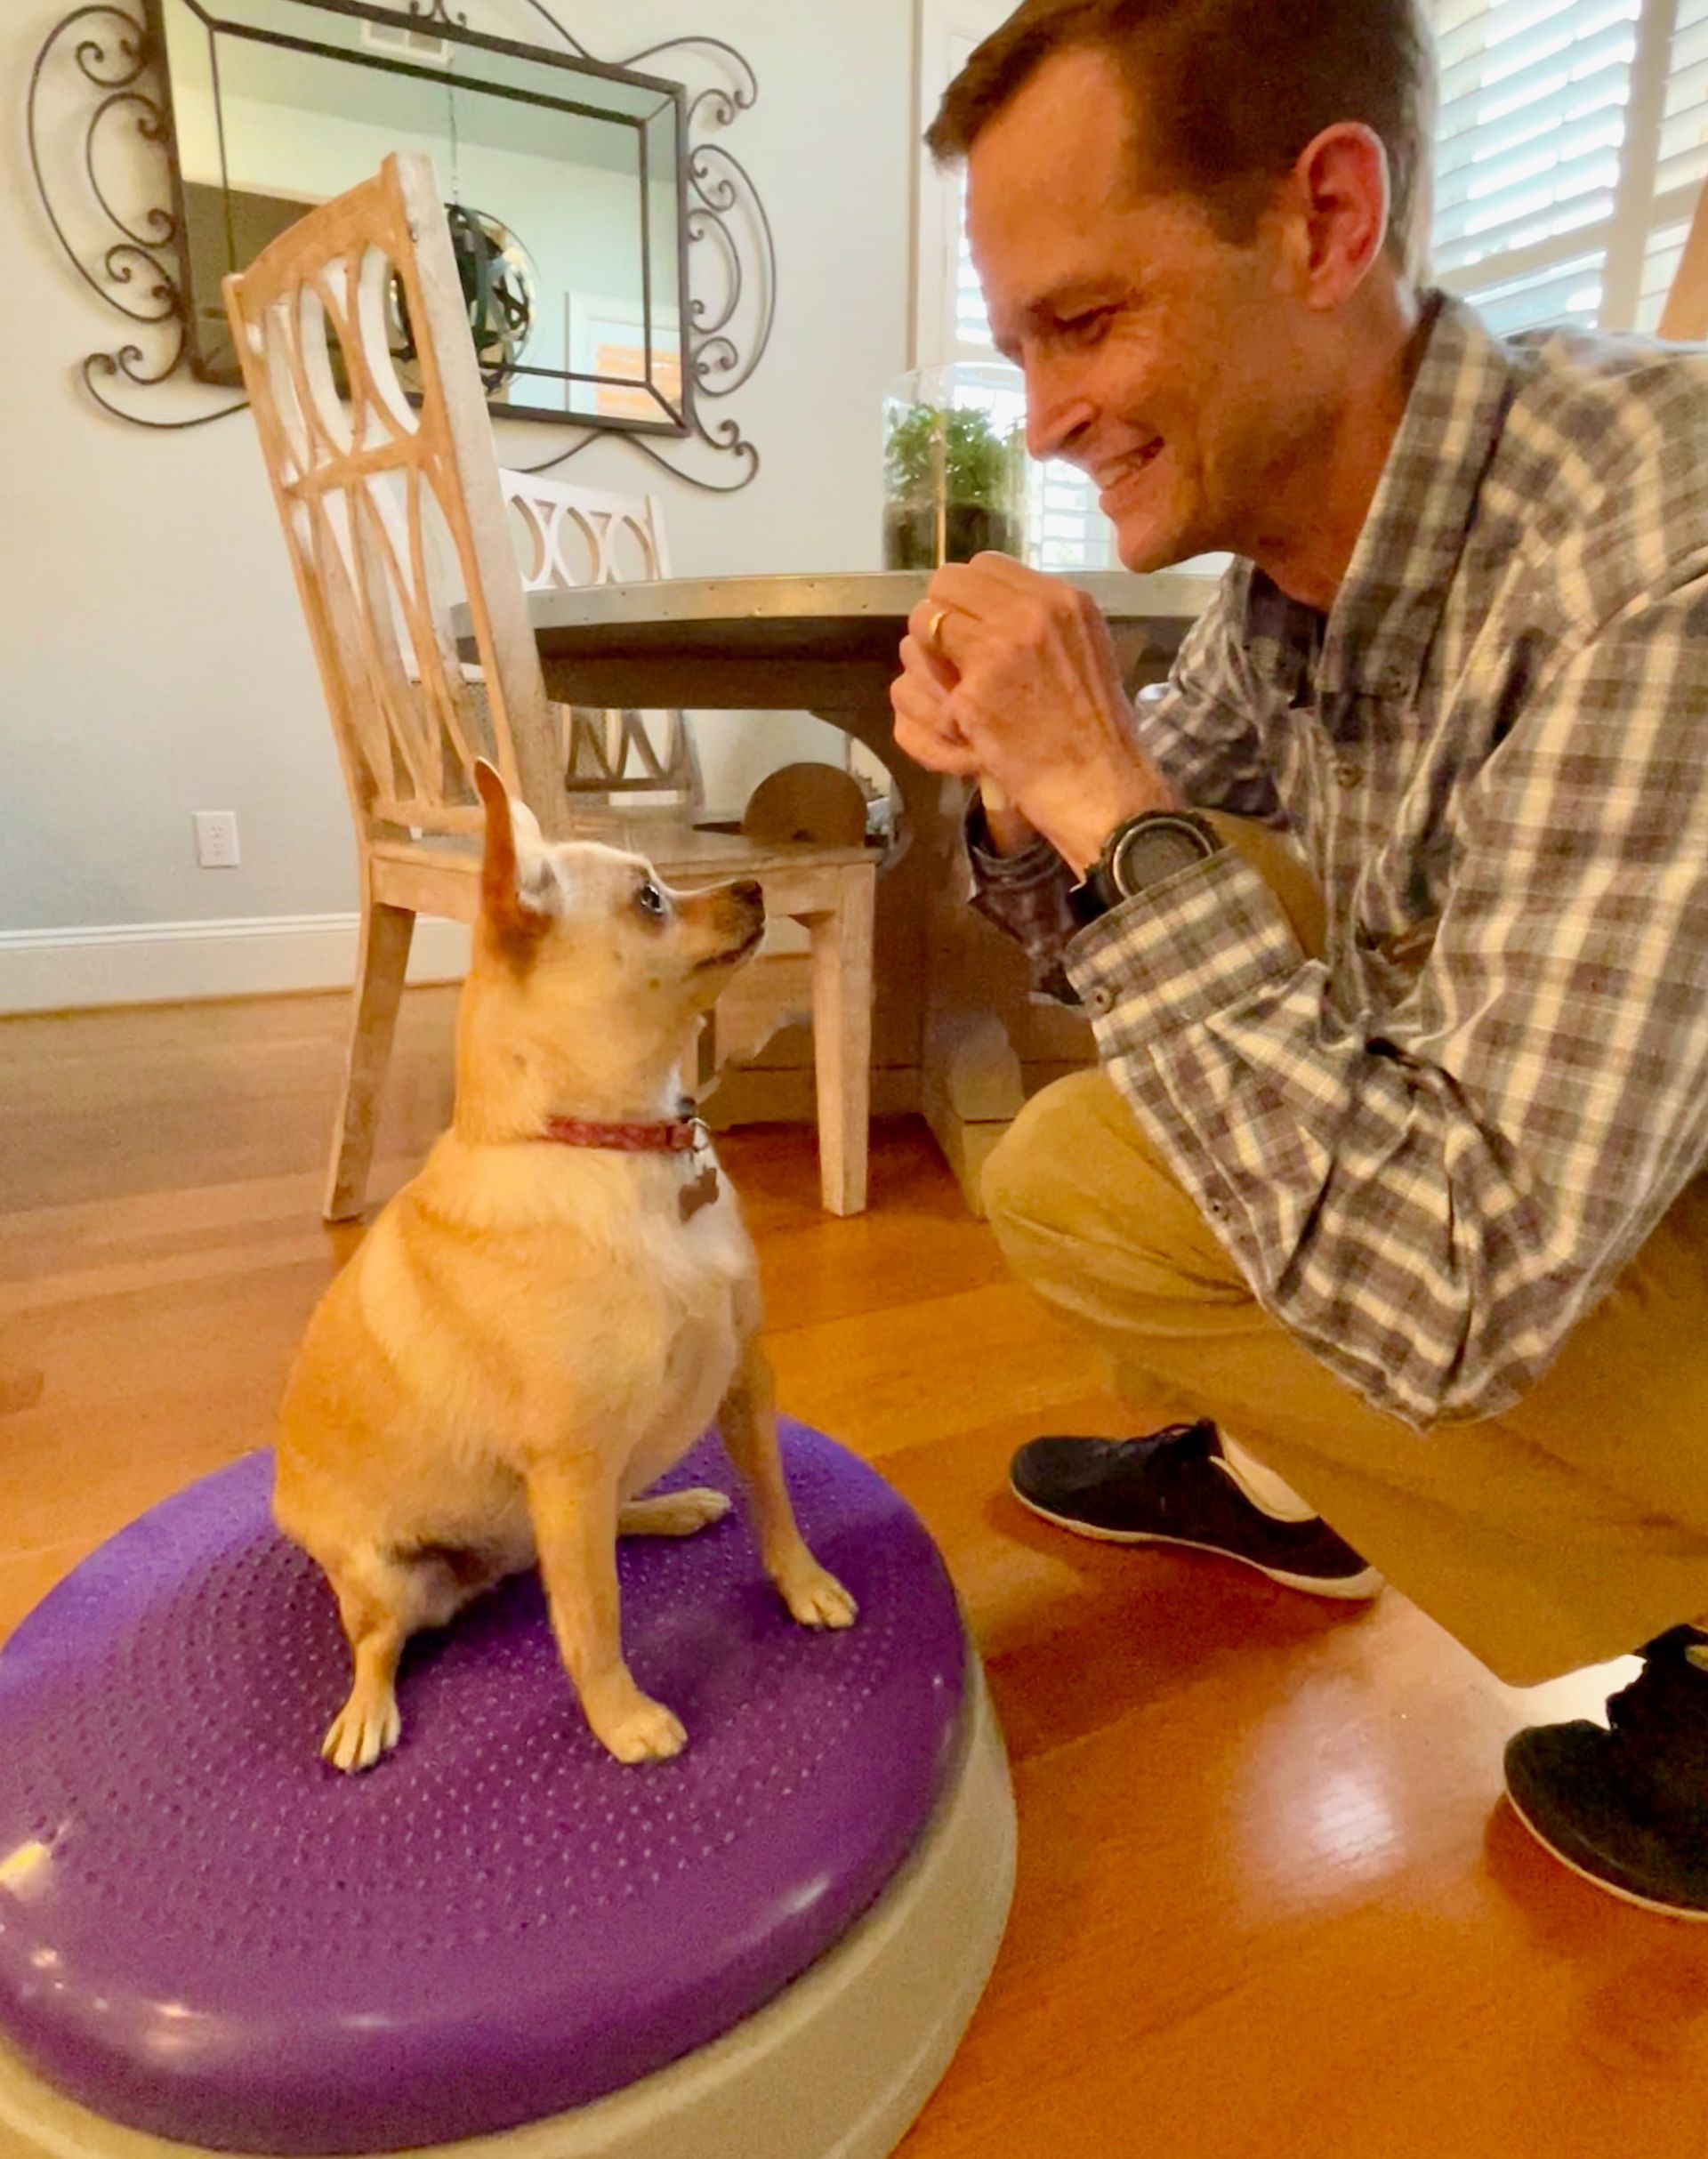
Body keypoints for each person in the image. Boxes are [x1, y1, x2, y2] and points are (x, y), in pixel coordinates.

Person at [890, 0, 1708, 1920]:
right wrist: (1028, 799)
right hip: (1594, 1183)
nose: (1043, 420)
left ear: (1328, 221)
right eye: (1021, 350)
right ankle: (1295, 1471)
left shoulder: (1650, 564)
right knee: (1120, 1069)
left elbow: (1460, 1279)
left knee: (1118, 1108)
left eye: (1087, 323)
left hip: (1565, 1229)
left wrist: (1100, 793)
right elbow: (1164, 879)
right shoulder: (1298, 565)